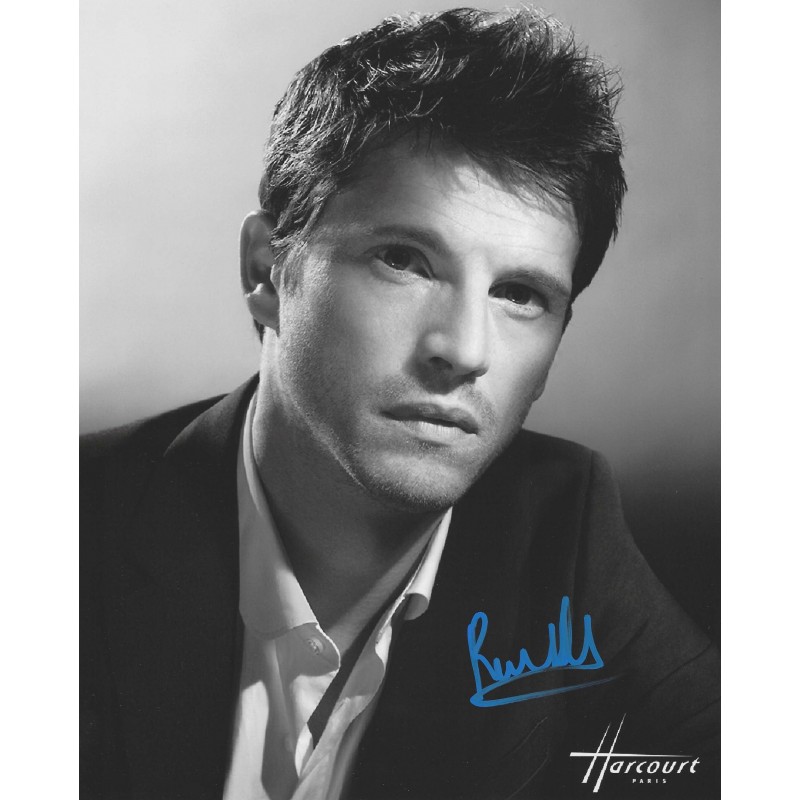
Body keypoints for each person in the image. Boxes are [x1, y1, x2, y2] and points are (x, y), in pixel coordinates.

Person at [80, 7, 719, 799]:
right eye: (405, 261)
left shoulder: (561, 529)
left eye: (520, 294)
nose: (466, 349)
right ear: (266, 271)